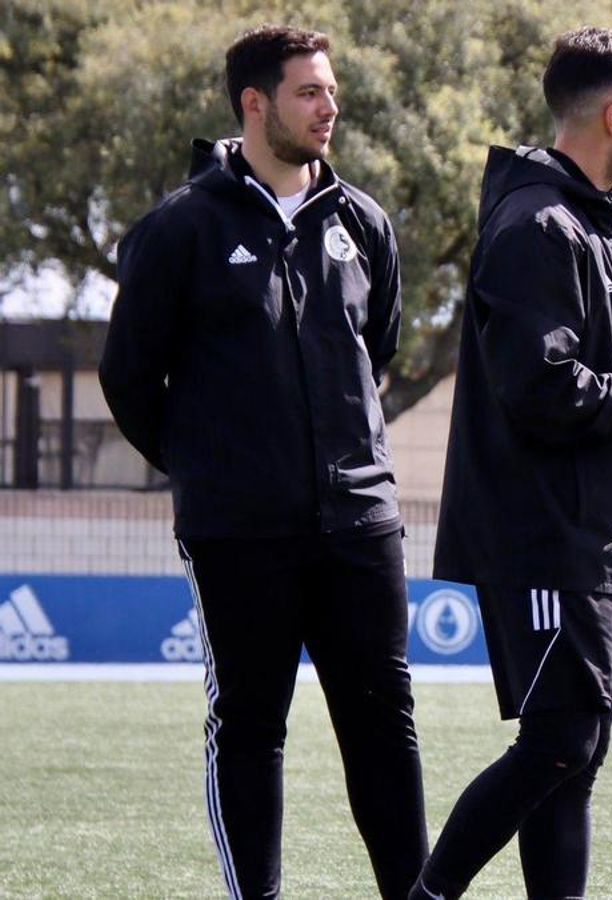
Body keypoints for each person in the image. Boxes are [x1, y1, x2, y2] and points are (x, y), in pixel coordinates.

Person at [99, 25, 427, 899]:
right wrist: (206, 469)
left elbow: (377, 350)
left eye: (331, 91)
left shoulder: (364, 223)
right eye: (309, 92)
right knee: (249, 726)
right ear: (255, 103)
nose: (330, 107)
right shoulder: (180, 228)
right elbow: (128, 378)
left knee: (384, 723)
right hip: (238, 532)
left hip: (360, 523)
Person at [414, 27, 612, 899]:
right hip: (547, 541)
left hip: (597, 540)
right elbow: (539, 387)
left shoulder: (601, 224)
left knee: (577, 757)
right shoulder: (538, 225)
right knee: (559, 744)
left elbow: (583, 382)